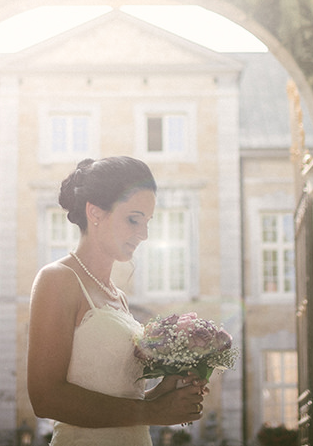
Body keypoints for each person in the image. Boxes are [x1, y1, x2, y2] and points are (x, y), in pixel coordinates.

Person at [27, 157, 208, 446]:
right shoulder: (57, 279)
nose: (144, 234)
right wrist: (153, 410)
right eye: (133, 219)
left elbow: (121, 400)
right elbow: (46, 398)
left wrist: (164, 393)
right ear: (95, 212)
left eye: (147, 222)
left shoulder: (119, 298)